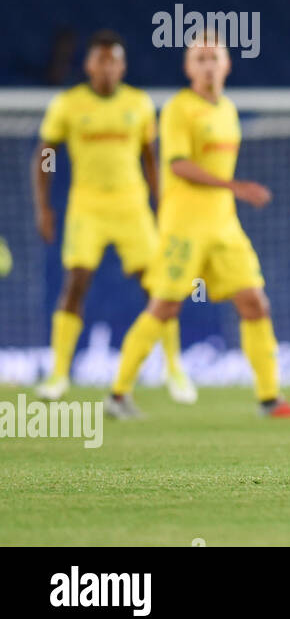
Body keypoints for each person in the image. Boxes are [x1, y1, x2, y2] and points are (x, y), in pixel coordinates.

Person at [108, 35, 290, 419]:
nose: (208, 65)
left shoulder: (228, 110)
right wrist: (235, 187)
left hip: (223, 225)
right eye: (199, 59)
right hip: (183, 224)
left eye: (214, 58)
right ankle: (118, 396)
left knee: (254, 303)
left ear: (227, 65)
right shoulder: (179, 109)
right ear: (188, 68)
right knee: (164, 306)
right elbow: (177, 165)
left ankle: (270, 399)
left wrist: (229, 194)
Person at [32, 30, 194, 404]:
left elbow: (150, 158)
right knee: (76, 284)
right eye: (101, 60)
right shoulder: (68, 105)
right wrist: (44, 206)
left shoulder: (137, 104)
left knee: (158, 288)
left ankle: (174, 368)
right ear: (89, 65)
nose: (108, 67)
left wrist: (163, 203)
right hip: (86, 208)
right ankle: (58, 374)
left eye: (114, 60)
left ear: (122, 66)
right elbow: (46, 154)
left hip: (131, 207)